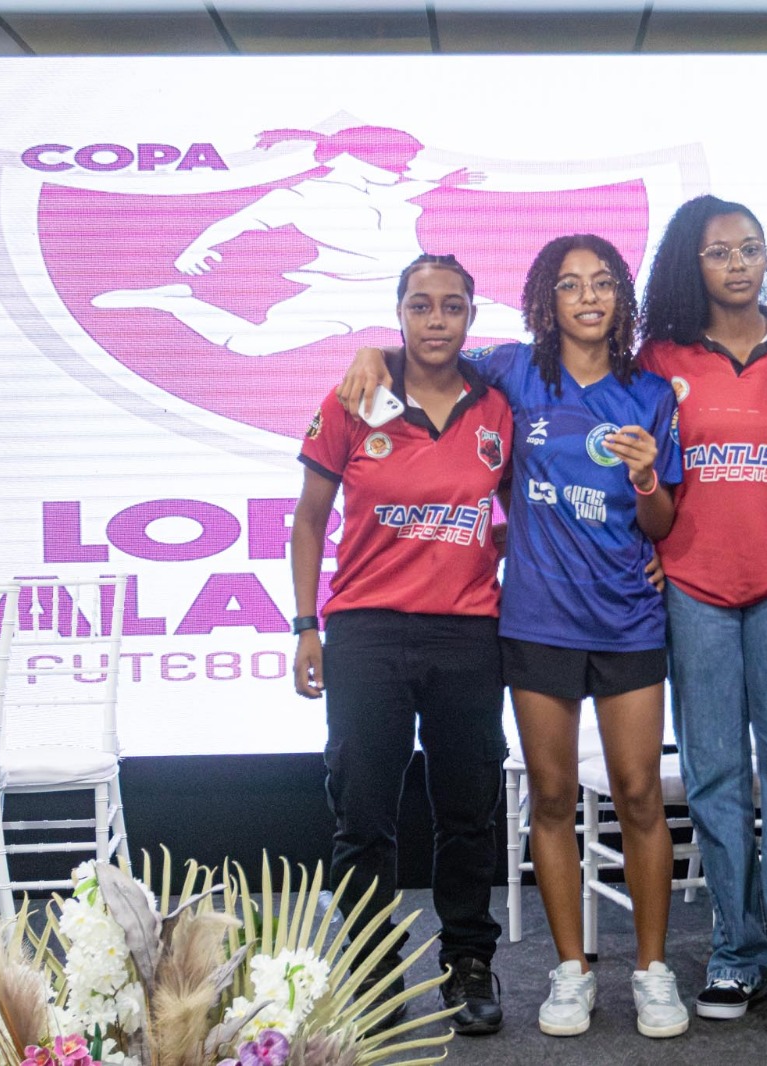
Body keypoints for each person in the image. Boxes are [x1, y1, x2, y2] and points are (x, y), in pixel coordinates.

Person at [339, 234, 690, 1040]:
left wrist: (642, 479)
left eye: (603, 283)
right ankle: (571, 974)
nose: (589, 298)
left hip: (630, 617)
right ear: (547, 300)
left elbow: (663, 518)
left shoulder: (651, 393)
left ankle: (651, 970)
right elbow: (428, 352)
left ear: (622, 297)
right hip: (536, 620)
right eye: (570, 285)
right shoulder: (513, 372)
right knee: (555, 798)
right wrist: (369, 351)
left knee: (639, 794)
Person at [634, 194, 767, 1035]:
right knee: (717, 779)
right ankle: (736, 953)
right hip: (692, 590)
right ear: (693, 262)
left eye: (752, 248)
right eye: (722, 251)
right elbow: (643, 473)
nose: (739, 263)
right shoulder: (657, 359)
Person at [289, 253, 511, 1036]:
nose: (437, 319)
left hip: (469, 634)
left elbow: (531, 513)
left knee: (467, 811)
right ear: (400, 314)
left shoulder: (497, 407)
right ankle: (373, 976)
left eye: (453, 306)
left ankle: (467, 963)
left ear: (471, 318)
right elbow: (309, 519)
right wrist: (305, 625)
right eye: (421, 306)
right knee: (363, 814)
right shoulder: (361, 396)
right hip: (367, 633)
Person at [93, 126, 526, 354]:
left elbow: (399, 187)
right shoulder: (299, 196)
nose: (405, 167)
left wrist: (448, 180)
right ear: (354, 160)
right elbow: (237, 222)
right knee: (250, 346)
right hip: (337, 294)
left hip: (415, 293)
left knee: (527, 330)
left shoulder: (391, 187)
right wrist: (195, 249)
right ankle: (176, 300)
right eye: (398, 159)